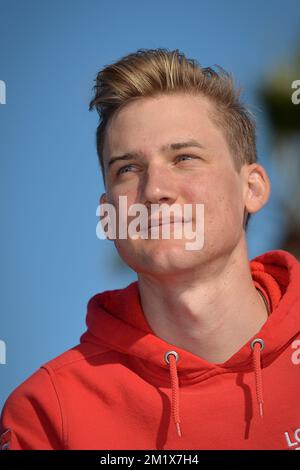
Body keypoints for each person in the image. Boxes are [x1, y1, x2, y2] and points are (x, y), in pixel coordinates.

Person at [1, 48, 300, 451]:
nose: (155, 191)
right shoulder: (48, 413)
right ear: (108, 215)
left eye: (184, 158)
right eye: (127, 168)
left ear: (253, 188)